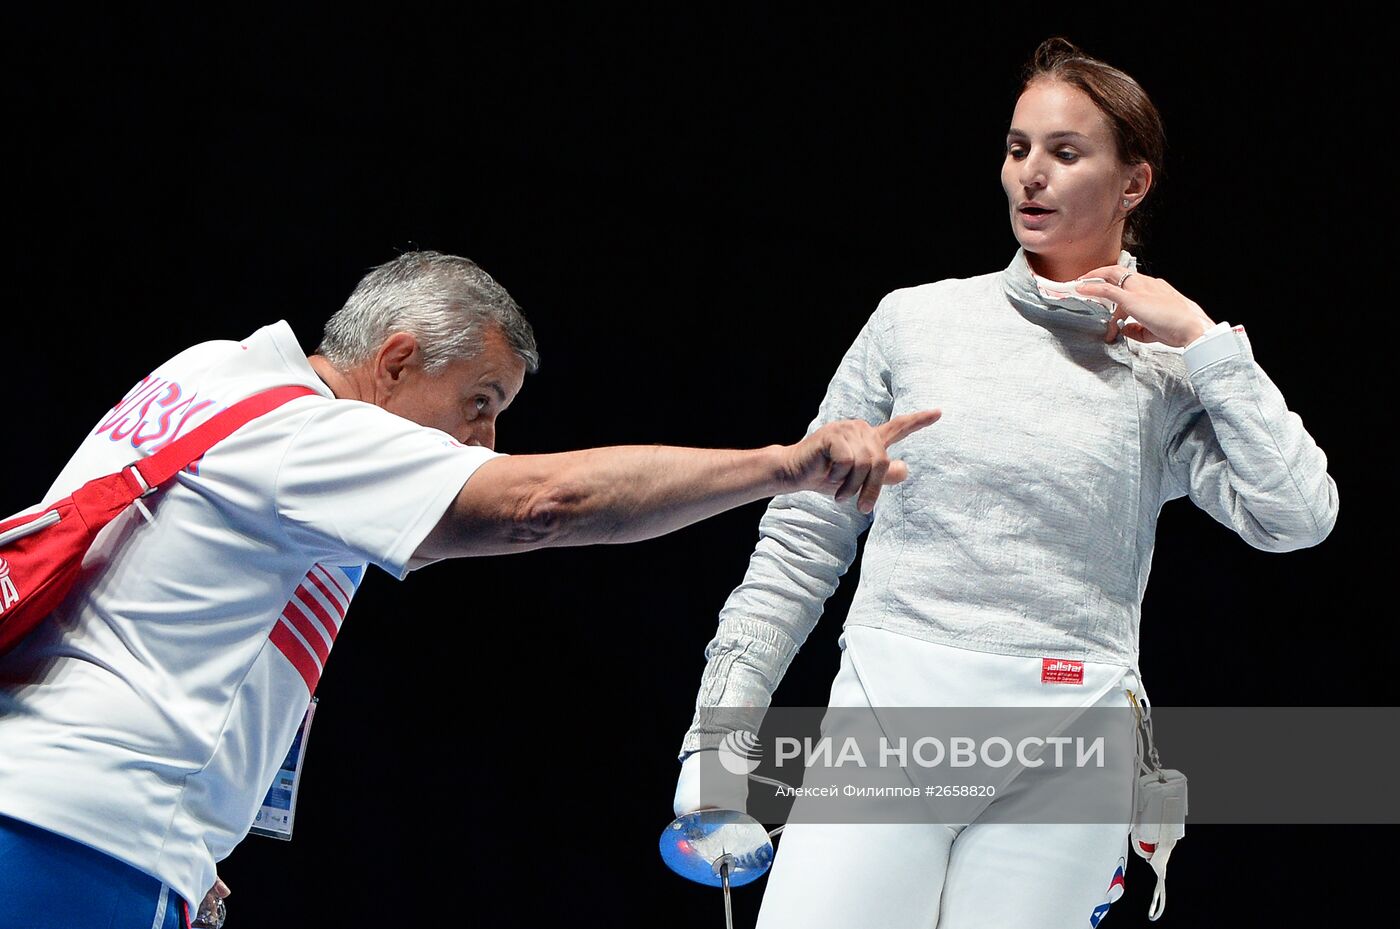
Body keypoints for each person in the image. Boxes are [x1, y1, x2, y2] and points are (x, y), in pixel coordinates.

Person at [0, 250, 937, 928]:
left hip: (52, 804)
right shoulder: (309, 438)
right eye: (477, 404)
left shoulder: (209, 372)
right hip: (82, 835)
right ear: (397, 359)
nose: (479, 443)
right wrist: (781, 465)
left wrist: (190, 840)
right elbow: (543, 503)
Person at [671, 37, 1339, 928]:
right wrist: (715, 748)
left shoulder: (1164, 368)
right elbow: (799, 542)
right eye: (1019, 148)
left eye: (1066, 153)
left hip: (1071, 744)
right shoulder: (915, 322)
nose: (1032, 174)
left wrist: (1205, 342)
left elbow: (1297, 516)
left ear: (1132, 184)